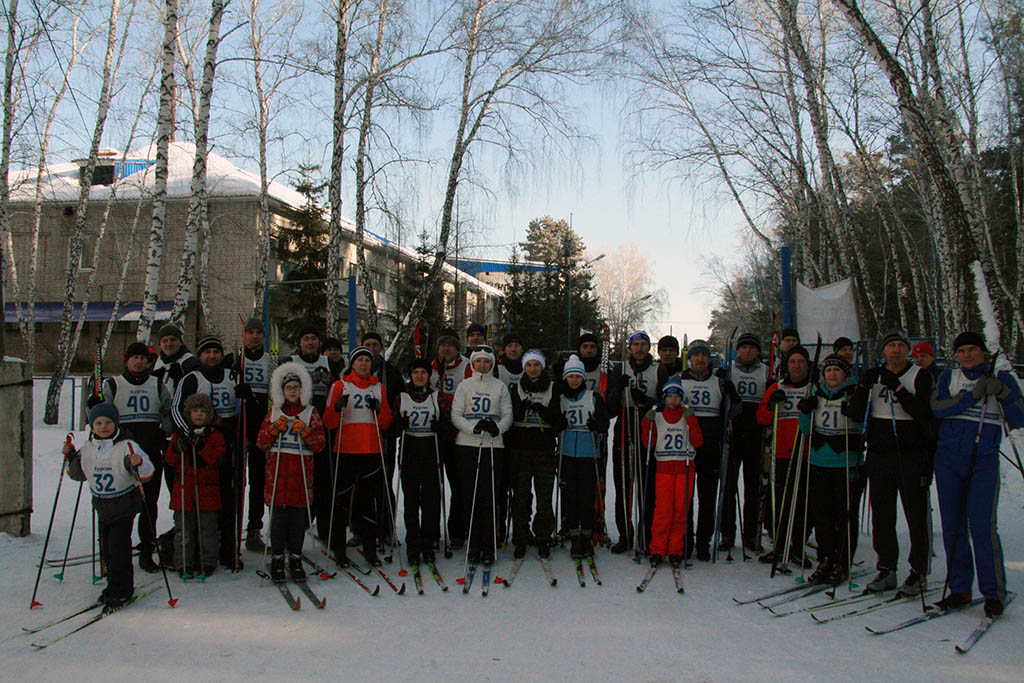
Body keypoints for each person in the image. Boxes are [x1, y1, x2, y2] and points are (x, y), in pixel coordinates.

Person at [930, 332, 1024, 616]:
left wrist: (1003, 394)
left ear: (983, 352)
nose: (967, 355)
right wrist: (972, 396)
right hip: (948, 459)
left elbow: (1020, 418)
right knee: (953, 526)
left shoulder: (1001, 378)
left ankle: (993, 592)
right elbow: (938, 408)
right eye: (962, 351)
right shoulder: (949, 378)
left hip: (982, 459)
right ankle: (959, 588)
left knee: (982, 527)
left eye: (972, 350)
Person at [847, 329, 934, 595]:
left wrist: (896, 386)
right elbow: (855, 413)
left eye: (900, 345)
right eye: (890, 346)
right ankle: (887, 567)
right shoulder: (875, 376)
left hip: (910, 454)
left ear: (907, 350)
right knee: (882, 515)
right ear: (883, 351)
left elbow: (923, 414)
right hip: (880, 454)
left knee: (915, 515)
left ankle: (918, 571)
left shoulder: (920, 375)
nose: (895, 350)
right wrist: (863, 385)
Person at [63, 403, 155, 612]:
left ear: (116, 423)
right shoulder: (88, 447)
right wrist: (69, 456)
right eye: (99, 423)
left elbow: (147, 473)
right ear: (92, 425)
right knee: (108, 551)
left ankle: (123, 590)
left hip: (124, 504)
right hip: (102, 506)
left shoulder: (127, 445)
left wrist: (138, 462)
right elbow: (77, 474)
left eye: (108, 423)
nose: (103, 427)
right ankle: (113, 586)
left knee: (118, 550)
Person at [92, 342, 171, 572]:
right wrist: (93, 407)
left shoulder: (157, 384)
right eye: (134, 357)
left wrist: (163, 433)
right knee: (117, 506)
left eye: (143, 358)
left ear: (149, 362)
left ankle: (146, 550)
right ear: (126, 360)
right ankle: (113, 553)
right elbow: (100, 419)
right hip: (120, 455)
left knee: (149, 505)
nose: (138, 362)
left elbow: (167, 412)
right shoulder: (113, 385)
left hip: (149, 453)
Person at [171, 335, 248, 570]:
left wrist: (247, 395)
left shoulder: (231, 375)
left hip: (225, 445)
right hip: (198, 446)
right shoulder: (192, 378)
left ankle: (227, 551)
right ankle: (191, 551)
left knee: (227, 501)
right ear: (200, 355)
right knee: (198, 503)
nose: (212, 356)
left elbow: (245, 410)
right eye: (207, 352)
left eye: (216, 352)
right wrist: (188, 435)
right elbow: (176, 409)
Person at [322, 346, 394, 565]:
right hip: (346, 450)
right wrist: (336, 407)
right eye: (360, 360)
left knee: (368, 503)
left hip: (371, 451)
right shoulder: (339, 386)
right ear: (352, 363)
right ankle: (339, 548)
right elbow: (328, 422)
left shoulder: (378, 388)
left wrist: (379, 409)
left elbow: (386, 422)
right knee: (342, 502)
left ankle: (370, 549)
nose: (364, 364)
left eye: (367, 360)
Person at [256, 362, 327, 584]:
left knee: (297, 521)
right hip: (278, 473)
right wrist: (273, 430)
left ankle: (295, 557)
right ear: (282, 391)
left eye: (297, 387)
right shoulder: (274, 412)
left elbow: (320, 444)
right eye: (289, 388)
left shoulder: (311, 412)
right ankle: (277, 558)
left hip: (300, 474)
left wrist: (305, 432)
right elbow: (260, 442)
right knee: (278, 521)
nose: (293, 391)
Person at [797, 354, 865, 585]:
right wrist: (805, 410)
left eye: (837, 370)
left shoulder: (855, 393)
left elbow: (866, 425)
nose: (832, 374)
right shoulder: (818, 393)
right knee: (822, 515)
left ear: (845, 373)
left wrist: (855, 413)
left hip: (846, 462)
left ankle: (842, 562)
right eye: (828, 371)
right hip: (818, 461)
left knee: (844, 515)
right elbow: (805, 428)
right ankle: (826, 558)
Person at [450, 346, 513, 566]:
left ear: (492, 364)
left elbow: (507, 415)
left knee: (490, 497)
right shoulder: (464, 386)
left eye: (487, 362)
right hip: (467, 445)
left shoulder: (500, 386)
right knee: (471, 495)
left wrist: (497, 428)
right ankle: (473, 543)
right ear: (473, 364)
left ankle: (489, 543)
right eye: (479, 362)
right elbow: (456, 414)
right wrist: (472, 428)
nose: (483, 365)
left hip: (493, 446)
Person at [679, 339, 738, 561]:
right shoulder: (679, 380)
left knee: (707, 498)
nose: (700, 359)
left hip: (711, 446)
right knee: (686, 497)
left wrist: (733, 399)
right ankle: (686, 539)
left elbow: (736, 410)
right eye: (696, 355)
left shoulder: (720, 382)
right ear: (690, 358)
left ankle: (703, 541)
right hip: (685, 445)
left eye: (704, 355)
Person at [756, 345, 813, 567]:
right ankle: (780, 545)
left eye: (800, 362)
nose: (796, 366)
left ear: (807, 365)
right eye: (792, 362)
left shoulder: (813, 388)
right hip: (781, 453)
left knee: (801, 504)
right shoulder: (778, 387)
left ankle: (797, 546)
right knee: (778, 503)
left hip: (806, 453)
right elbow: (762, 418)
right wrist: (771, 404)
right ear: (787, 365)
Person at [639, 380, 704, 567]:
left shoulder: (687, 415)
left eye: (677, 396)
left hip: (685, 468)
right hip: (664, 469)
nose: (673, 400)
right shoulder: (658, 416)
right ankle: (658, 549)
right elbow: (648, 443)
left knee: (680, 512)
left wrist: (691, 419)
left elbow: (698, 441)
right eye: (670, 396)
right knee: (662, 511)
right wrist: (647, 422)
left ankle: (676, 549)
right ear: (664, 397)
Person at [554, 355, 610, 559]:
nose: (574, 380)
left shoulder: (593, 397)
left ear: (583, 378)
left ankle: (587, 533)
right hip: (567, 453)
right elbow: (553, 421)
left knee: (587, 496)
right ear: (565, 378)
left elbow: (604, 422)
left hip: (588, 453)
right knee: (570, 495)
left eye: (578, 376)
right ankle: (574, 534)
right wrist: (557, 425)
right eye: (571, 377)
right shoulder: (560, 398)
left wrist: (598, 426)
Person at [165, 394, 224, 578]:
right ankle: (184, 562)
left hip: (207, 490)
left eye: (203, 411)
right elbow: (169, 460)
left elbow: (217, 459)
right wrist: (176, 449)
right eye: (195, 411)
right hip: (184, 490)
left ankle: (207, 561)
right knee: (184, 530)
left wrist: (201, 448)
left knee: (208, 530)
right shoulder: (180, 435)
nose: (199, 415)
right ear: (188, 414)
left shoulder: (214, 435)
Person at [507, 349, 557, 559]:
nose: (533, 369)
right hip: (521, 448)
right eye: (529, 365)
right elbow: (509, 416)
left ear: (542, 366)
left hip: (544, 448)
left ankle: (544, 536)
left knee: (544, 495)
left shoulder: (553, 387)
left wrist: (542, 410)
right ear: (524, 367)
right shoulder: (516, 387)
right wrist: (522, 408)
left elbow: (557, 418)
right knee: (521, 495)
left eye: (536, 365)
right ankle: (520, 536)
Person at [612, 330, 659, 554]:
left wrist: (647, 401)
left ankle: (646, 534)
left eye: (643, 344)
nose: (639, 349)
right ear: (630, 347)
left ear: (649, 347)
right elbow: (610, 406)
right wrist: (616, 389)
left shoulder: (659, 369)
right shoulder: (621, 368)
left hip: (648, 423)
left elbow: (666, 402)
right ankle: (625, 535)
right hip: (625, 421)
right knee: (623, 483)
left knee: (646, 486)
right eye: (636, 345)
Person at [720, 332, 768, 552]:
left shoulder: (767, 371)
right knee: (729, 486)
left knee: (753, 486)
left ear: (757, 351)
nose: (747, 351)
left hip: (756, 434)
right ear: (737, 350)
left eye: (751, 348)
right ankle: (727, 534)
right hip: (733, 432)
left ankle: (750, 534)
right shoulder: (728, 369)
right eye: (743, 347)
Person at [396, 358, 443, 565]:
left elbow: (448, 424)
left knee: (431, 500)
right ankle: (413, 543)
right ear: (411, 375)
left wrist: (439, 428)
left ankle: (428, 540)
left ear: (428, 375)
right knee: (411, 500)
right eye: (416, 372)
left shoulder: (435, 397)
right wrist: (400, 424)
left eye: (423, 372)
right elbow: (392, 429)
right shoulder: (402, 397)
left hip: (431, 452)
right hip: (410, 451)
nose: (420, 376)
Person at [431, 328, 472, 548]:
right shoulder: (432, 367)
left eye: (450, 345)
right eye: (442, 345)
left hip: (459, 434)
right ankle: (432, 531)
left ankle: (457, 530)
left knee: (459, 484)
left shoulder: (466, 366)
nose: (446, 349)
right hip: (437, 433)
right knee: (433, 485)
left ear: (457, 348)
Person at [236, 318, 272, 553]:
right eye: (251, 332)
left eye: (260, 332)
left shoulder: (270, 360)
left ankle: (253, 529)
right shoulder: (235, 359)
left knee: (258, 481)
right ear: (244, 334)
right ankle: (230, 528)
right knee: (236, 481)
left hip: (261, 426)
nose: (255, 336)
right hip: (239, 426)